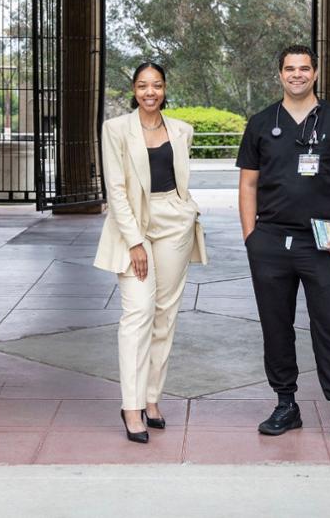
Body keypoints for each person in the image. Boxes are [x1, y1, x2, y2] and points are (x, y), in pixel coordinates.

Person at [235, 44, 330, 449]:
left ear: (315, 73)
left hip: (323, 240)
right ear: (279, 75)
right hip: (271, 241)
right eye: (289, 69)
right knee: (276, 327)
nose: (297, 75)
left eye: (304, 68)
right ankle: (286, 404)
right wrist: (250, 237)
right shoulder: (261, 123)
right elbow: (248, 184)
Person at [94, 61, 207, 444]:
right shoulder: (115, 130)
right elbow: (117, 189)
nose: (150, 92)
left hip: (174, 222)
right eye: (143, 85)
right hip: (135, 226)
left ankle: (152, 398)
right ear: (134, 89)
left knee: (165, 314)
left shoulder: (181, 130)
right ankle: (131, 405)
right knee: (138, 312)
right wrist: (135, 242)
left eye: (156, 85)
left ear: (165, 89)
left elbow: (179, 180)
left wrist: (186, 209)